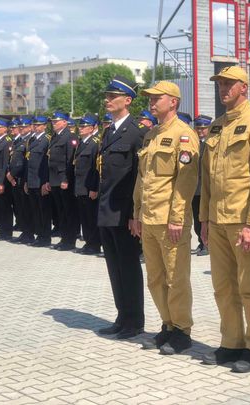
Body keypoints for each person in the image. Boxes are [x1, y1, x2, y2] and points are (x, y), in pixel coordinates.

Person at [199, 66, 250, 373]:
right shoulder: (217, 126)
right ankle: (231, 342)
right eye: (220, 84)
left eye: (229, 84)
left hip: (243, 220)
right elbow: (207, 177)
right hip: (217, 219)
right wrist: (204, 219)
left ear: (244, 87)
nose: (223, 88)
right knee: (223, 286)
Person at [132, 80, 199, 355]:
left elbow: (186, 181)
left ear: (173, 102)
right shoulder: (151, 135)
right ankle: (168, 324)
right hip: (149, 218)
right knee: (155, 279)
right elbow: (142, 179)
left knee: (176, 278)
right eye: (150, 98)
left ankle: (182, 330)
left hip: (170, 220)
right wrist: (136, 213)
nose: (151, 102)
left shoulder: (184, 135)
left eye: (157, 98)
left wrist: (177, 218)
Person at [97, 76, 148, 339]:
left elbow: (139, 178)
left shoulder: (137, 133)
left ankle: (134, 321)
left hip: (124, 214)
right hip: (106, 211)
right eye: (107, 96)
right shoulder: (109, 132)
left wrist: (133, 215)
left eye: (112, 96)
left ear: (127, 100)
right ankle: (121, 316)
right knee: (114, 268)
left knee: (128, 267)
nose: (107, 100)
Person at [48, 111, 79, 251]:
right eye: (53, 122)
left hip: (63, 180)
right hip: (54, 179)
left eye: (56, 121)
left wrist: (66, 179)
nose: (54, 124)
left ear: (65, 122)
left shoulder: (70, 137)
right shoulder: (55, 137)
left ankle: (70, 240)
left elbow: (70, 160)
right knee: (60, 212)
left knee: (68, 212)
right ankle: (64, 238)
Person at [73, 113, 101, 255]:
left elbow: (96, 169)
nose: (81, 128)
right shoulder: (83, 142)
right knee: (85, 217)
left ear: (92, 128)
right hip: (80, 186)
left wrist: (94, 188)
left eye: (85, 126)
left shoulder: (95, 143)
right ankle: (89, 242)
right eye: (81, 126)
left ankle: (94, 244)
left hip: (88, 187)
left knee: (91, 217)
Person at [25, 116, 52, 247]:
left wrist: (45, 182)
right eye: (34, 125)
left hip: (40, 181)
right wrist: (26, 181)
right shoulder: (32, 140)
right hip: (31, 180)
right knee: (35, 210)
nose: (35, 127)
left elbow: (47, 164)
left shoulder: (47, 140)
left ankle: (45, 237)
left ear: (45, 126)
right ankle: (39, 235)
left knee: (44, 211)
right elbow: (28, 163)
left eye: (38, 125)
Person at [8, 116, 35, 244]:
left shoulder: (30, 140)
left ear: (30, 127)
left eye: (24, 127)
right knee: (20, 208)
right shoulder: (20, 141)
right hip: (16, 178)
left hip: (22, 178)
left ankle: (29, 234)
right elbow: (13, 160)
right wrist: (10, 174)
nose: (21, 129)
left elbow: (23, 162)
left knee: (26, 208)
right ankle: (25, 232)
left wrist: (12, 174)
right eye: (20, 127)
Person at [191, 114, 212, 256]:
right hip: (195, 187)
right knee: (197, 217)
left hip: (206, 186)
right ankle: (201, 242)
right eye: (198, 128)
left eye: (203, 128)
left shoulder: (211, 143)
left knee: (205, 217)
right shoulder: (194, 143)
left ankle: (207, 244)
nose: (200, 131)